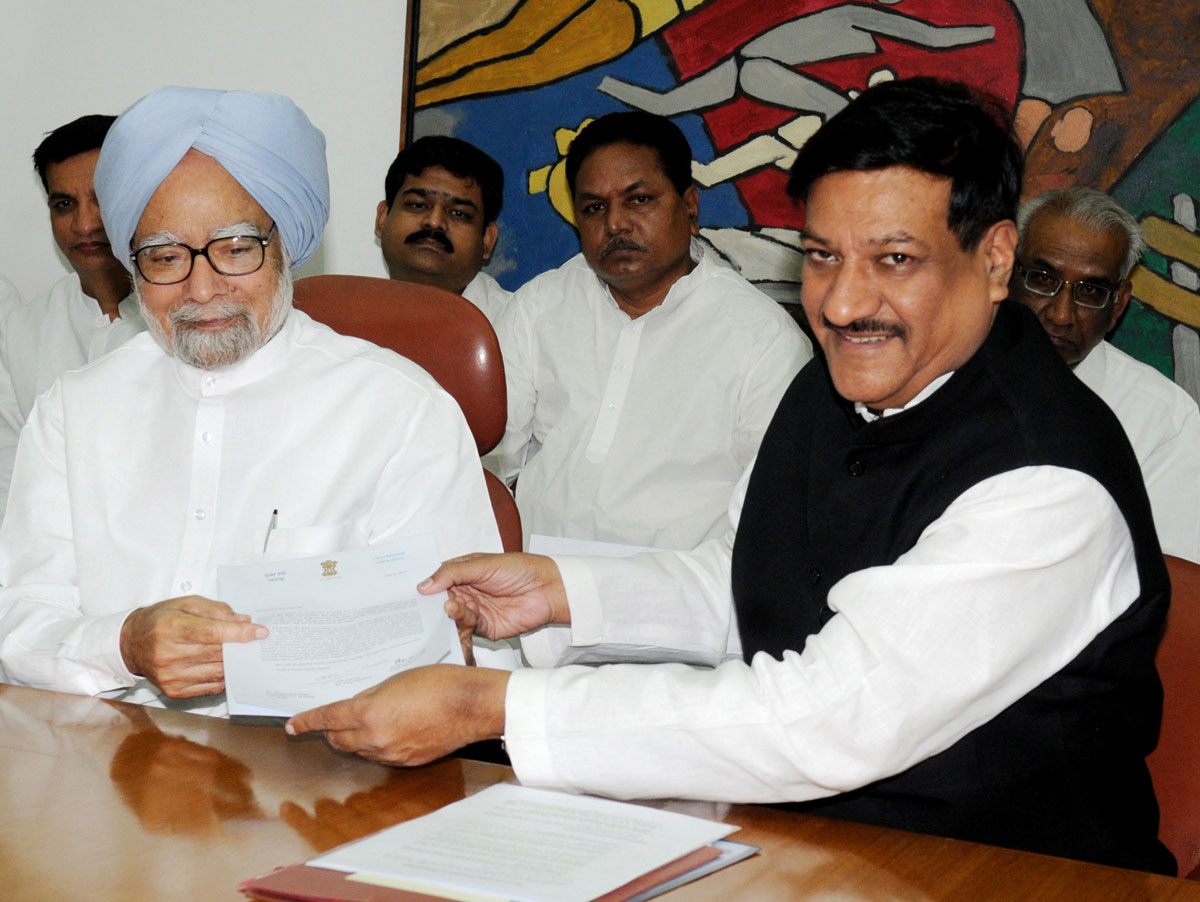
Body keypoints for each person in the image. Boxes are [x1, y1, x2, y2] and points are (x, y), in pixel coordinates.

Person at [290, 78, 1174, 875]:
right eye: (822, 255)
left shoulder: (1049, 479)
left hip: (1009, 870)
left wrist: (499, 707)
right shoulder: (833, 388)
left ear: (995, 259)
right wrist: (561, 594)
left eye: (894, 260)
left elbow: (825, 719)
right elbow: (750, 580)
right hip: (808, 844)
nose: (842, 303)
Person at [0, 87, 515, 716]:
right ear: (132, 265)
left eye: (236, 248)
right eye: (164, 256)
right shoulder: (73, 411)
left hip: (317, 766)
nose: (201, 288)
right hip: (107, 755)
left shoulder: (400, 412)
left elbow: (470, 664)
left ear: (285, 245)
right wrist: (123, 645)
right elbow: (18, 624)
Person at [486, 111, 811, 550]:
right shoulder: (538, 307)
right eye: (594, 208)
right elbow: (488, 466)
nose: (615, 224)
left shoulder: (764, 340)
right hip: (533, 577)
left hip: (677, 587)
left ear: (690, 208)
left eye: (638, 200)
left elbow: (773, 519)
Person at [1013, 187, 1200, 562]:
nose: (1061, 314)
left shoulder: (1163, 420)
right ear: (1002, 273)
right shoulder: (935, 369)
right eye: (1043, 279)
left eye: (1090, 291)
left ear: (1118, 305)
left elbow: (1175, 579)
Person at [0, 115, 147, 512]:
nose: (85, 225)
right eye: (65, 204)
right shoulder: (23, 330)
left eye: (103, 199)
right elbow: (13, 480)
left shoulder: (191, 314)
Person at [375, 135, 510, 322]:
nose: (434, 222)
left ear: (487, 239)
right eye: (417, 205)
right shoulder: (341, 319)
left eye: (459, 213)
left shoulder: (519, 330)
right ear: (382, 218)